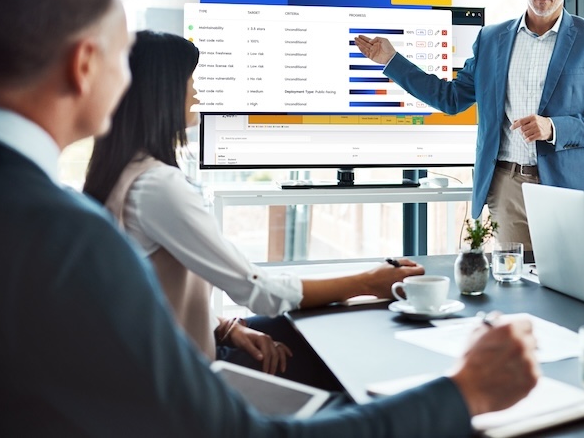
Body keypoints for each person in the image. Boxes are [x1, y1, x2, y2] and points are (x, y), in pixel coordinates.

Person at [0, 0, 538, 437]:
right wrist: (464, 393)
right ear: (83, 65)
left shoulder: (44, 210)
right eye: (120, 56)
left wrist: (222, 325)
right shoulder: (70, 232)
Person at [82, 30, 424, 385]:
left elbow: (147, 297)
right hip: (179, 382)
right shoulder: (156, 188)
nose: (196, 91)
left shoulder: (121, 174)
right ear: (161, 92)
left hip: (162, 357)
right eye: (189, 79)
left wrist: (224, 327)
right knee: (349, 353)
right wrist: (371, 281)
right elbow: (261, 292)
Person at [355, 0, 584, 252]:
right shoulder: (491, 38)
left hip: (567, 188)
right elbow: (451, 98)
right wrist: (392, 61)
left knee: (572, 292)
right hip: (507, 187)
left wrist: (554, 127)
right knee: (518, 291)